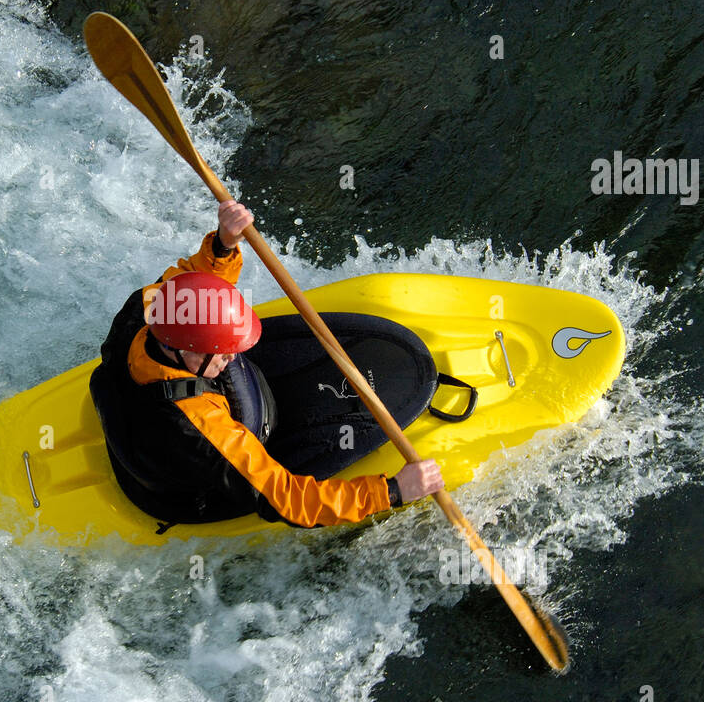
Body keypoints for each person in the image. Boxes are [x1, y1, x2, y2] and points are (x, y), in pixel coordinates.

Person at [89, 200, 443, 528]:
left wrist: (224, 245)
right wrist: (392, 491)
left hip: (153, 420)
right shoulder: (199, 431)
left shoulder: (148, 309)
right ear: (181, 350)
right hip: (187, 470)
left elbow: (195, 280)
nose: (231, 357)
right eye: (219, 350)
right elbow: (288, 501)